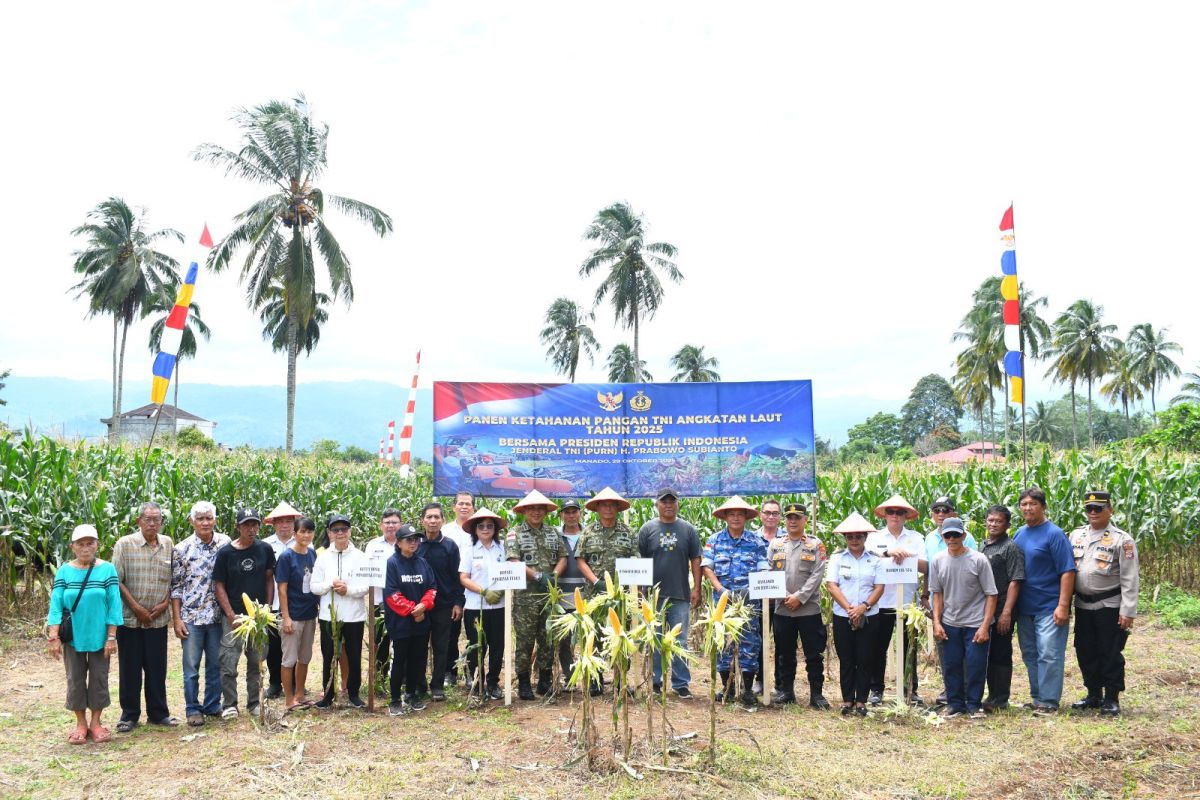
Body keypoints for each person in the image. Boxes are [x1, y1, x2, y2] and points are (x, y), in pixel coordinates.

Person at [47, 525, 122, 744]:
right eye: (80, 544)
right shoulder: (64, 571)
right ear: (72, 547)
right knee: (75, 679)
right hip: (73, 636)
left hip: (100, 636)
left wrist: (111, 636)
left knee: (99, 678)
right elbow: (56, 605)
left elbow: (114, 605)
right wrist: (54, 636)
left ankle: (96, 723)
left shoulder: (107, 569)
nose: (86, 548)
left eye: (90, 543)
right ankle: (80, 723)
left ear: (97, 545)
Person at [1069, 490, 1139, 716]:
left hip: (1109, 604)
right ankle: (1093, 694)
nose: (1093, 513)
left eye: (1098, 508)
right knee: (1085, 649)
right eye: (1089, 509)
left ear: (1110, 509)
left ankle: (1111, 697)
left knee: (1109, 651)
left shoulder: (1122, 540)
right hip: (1082, 604)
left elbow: (1130, 577)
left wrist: (1128, 610)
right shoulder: (1076, 535)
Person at [111, 501, 178, 732]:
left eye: (156, 519)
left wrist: (164, 603)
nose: (152, 523)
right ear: (138, 521)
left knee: (157, 668)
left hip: (158, 619)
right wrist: (137, 608)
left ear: (161, 522)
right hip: (131, 619)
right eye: (147, 519)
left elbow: (175, 579)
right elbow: (116, 580)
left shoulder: (168, 544)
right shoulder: (125, 544)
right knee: (130, 669)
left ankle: (159, 714)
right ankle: (129, 715)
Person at [1013, 487, 1076, 715]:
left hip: (1049, 606)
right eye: (1024, 504)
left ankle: (1049, 700)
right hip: (1024, 607)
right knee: (1030, 654)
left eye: (1033, 504)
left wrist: (1062, 605)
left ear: (1043, 506)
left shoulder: (1054, 534)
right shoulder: (1019, 533)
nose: (1028, 508)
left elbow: (1067, 571)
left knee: (1049, 653)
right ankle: (1037, 696)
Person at [702, 495, 769, 708]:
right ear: (725, 517)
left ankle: (747, 689)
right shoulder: (714, 541)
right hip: (722, 601)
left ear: (746, 518)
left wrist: (749, 591)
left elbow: (763, 569)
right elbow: (707, 568)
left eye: (740, 514)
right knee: (723, 644)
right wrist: (721, 590)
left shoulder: (756, 542)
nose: (736, 518)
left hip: (749, 601)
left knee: (750, 643)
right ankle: (727, 688)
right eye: (732, 514)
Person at [170, 501, 232, 726]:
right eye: (200, 519)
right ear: (192, 521)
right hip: (192, 617)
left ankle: (213, 705)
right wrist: (177, 619)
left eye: (209, 518)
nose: (205, 522)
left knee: (215, 665)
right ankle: (192, 708)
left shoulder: (225, 544)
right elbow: (176, 587)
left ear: (215, 520)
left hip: (216, 617)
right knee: (191, 668)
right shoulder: (181, 549)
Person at [929, 518, 998, 719]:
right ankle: (955, 704)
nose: (952, 539)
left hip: (975, 623)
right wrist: (937, 622)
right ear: (943, 537)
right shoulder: (938, 560)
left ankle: (974, 704)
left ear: (964, 536)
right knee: (951, 665)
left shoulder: (978, 560)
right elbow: (937, 594)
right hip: (950, 623)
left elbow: (991, 594)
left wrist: (985, 626)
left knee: (976, 665)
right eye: (947, 535)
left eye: (956, 535)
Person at [638, 487, 702, 699]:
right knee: (654, 639)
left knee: (680, 640)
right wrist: (640, 591)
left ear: (677, 504)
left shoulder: (687, 529)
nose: (668, 505)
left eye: (671, 501)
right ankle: (655, 681)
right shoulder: (647, 529)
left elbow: (695, 559)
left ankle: (680, 683)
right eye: (664, 501)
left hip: (680, 593)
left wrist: (697, 588)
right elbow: (640, 561)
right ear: (657, 504)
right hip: (653, 596)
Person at [213, 508, 276, 719]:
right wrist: (231, 616)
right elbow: (219, 585)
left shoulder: (265, 549)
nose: (252, 529)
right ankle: (230, 704)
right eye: (247, 525)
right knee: (228, 662)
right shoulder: (225, 553)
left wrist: (266, 609)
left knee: (256, 662)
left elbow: (269, 578)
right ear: (238, 527)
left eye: (255, 524)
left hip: (258, 617)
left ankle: (254, 703)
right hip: (234, 617)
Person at [865, 494, 927, 705]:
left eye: (899, 512)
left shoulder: (916, 538)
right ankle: (876, 690)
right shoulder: (874, 537)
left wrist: (908, 557)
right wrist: (888, 553)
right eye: (891, 512)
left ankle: (910, 689)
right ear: (885, 515)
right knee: (877, 648)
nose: (895, 516)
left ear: (906, 516)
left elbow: (926, 567)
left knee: (909, 649)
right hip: (881, 601)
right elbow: (868, 559)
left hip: (908, 603)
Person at [575, 487, 637, 696]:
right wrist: (595, 580)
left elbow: (637, 561)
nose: (608, 508)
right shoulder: (588, 532)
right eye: (604, 505)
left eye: (612, 505)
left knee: (621, 634)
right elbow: (580, 559)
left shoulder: (628, 533)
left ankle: (621, 680)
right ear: (598, 508)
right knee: (594, 635)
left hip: (621, 597)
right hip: (594, 594)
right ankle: (596, 680)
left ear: (618, 508)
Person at [766, 502, 829, 708]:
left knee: (814, 654)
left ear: (805, 520)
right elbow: (770, 572)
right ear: (785, 520)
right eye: (789, 517)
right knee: (785, 653)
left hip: (808, 609)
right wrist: (785, 596)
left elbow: (817, 574)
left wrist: (799, 597)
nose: (793, 521)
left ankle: (816, 695)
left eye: (797, 517)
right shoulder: (776, 544)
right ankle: (786, 691)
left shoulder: (815, 544)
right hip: (782, 608)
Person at [506, 490, 566, 700]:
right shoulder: (515, 533)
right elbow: (513, 561)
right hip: (526, 598)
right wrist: (538, 576)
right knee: (525, 640)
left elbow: (562, 557)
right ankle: (523, 682)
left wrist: (553, 576)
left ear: (545, 511)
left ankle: (544, 680)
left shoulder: (553, 532)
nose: (536, 512)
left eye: (540, 508)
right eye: (532, 508)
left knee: (547, 639)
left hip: (549, 597)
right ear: (524, 510)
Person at [824, 513, 885, 717]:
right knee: (847, 658)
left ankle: (861, 701)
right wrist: (851, 609)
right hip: (843, 615)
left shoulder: (874, 560)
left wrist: (863, 607)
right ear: (845, 539)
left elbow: (879, 587)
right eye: (850, 537)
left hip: (869, 615)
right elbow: (832, 585)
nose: (854, 540)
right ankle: (847, 700)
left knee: (866, 658)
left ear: (865, 537)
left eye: (858, 536)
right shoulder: (837, 558)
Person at [920, 496, 979, 706]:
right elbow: (929, 570)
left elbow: (973, 569)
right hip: (938, 598)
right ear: (932, 514)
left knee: (963, 649)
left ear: (953, 513)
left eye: (946, 510)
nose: (941, 514)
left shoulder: (967, 538)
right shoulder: (928, 538)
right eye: (937, 510)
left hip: (962, 601)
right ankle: (950, 689)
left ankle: (964, 691)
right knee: (945, 647)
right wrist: (925, 595)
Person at [311, 513, 369, 709]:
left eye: (344, 529)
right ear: (329, 533)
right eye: (336, 530)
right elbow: (314, 587)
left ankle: (353, 694)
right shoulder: (322, 558)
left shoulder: (361, 557)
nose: (340, 533)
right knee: (328, 656)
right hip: (329, 616)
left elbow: (367, 586)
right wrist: (330, 584)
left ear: (350, 531)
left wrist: (348, 590)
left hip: (354, 616)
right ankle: (328, 695)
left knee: (354, 656)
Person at [384, 524, 436, 715]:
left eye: (416, 539)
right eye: (409, 539)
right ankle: (395, 698)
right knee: (399, 660)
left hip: (421, 621)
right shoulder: (392, 563)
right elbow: (391, 594)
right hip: (401, 622)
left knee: (418, 659)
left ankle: (412, 694)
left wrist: (424, 606)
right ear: (398, 543)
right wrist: (414, 610)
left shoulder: (423, 563)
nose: (413, 543)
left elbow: (432, 587)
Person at [416, 502, 464, 701]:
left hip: (443, 605)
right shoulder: (415, 544)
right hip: (418, 606)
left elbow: (457, 576)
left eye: (437, 517)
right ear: (422, 521)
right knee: (418, 646)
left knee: (441, 646)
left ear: (443, 521)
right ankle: (418, 685)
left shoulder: (450, 546)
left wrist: (457, 602)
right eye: (429, 517)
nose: (433, 521)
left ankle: (437, 686)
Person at [459, 507, 507, 700]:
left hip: (499, 606)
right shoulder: (469, 549)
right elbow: (464, 578)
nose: (485, 529)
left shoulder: (503, 548)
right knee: (477, 645)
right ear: (475, 530)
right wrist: (484, 591)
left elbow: (510, 573)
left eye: (489, 526)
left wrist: (501, 590)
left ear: (495, 529)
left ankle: (493, 682)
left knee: (497, 646)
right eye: (481, 526)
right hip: (474, 606)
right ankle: (477, 682)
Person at [980, 504, 1024, 711]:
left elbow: (1015, 581)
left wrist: (1007, 613)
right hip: (983, 611)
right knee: (987, 654)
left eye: (998, 521)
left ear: (1007, 525)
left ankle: (1000, 698)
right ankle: (991, 695)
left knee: (1001, 653)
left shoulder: (1010, 547)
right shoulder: (983, 546)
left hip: (1001, 610)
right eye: (990, 520)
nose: (993, 524)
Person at [276, 516, 319, 710]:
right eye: (302, 531)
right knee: (289, 659)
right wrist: (286, 617)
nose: (306, 535)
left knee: (305, 657)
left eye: (310, 532)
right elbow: (282, 589)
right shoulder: (286, 557)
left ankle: (300, 694)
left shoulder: (312, 553)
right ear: (295, 534)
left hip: (309, 614)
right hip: (292, 616)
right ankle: (288, 699)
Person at [262, 501, 303, 699]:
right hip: (272, 603)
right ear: (274, 524)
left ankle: (294, 683)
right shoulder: (265, 545)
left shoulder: (303, 544)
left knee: (293, 647)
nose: (285, 525)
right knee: (274, 646)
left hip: (295, 605)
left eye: (289, 521)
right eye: (281, 522)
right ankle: (274, 683)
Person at [365, 509, 404, 688]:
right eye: (387, 522)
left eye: (394, 522)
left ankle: (401, 677)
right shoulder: (373, 545)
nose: (390, 526)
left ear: (400, 524)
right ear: (381, 525)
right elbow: (366, 572)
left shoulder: (407, 542)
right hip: (378, 601)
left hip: (402, 602)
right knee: (380, 642)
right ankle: (379, 679)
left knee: (402, 640)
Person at [440, 491, 475, 686]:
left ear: (473, 507)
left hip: (473, 587)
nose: (464, 507)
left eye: (468, 504)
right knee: (450, 633)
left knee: (473, 633)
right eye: (460, 503)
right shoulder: (445, 531)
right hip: (451, 587)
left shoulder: (479, 529)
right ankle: (449, 672)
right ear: (453, 507)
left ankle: (471, 671)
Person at [554, 499, 588, 690]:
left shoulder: (589, 534)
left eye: (574, 511)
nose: (571, 515)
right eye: (567, 512)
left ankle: (590, 675)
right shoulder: (555, 535)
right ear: (561, 515)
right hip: (561, 594)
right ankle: (570, 676)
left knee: (587, 636)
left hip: (586, 593)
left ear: (580, 513)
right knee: (564, 639)